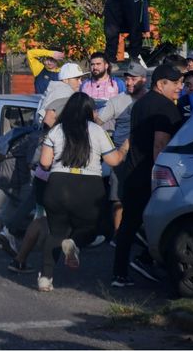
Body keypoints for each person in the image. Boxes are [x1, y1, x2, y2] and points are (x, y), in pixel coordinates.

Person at [37, 93, 128, 292]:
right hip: (89, 185)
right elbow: (113, 161)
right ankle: (75, 242)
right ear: (89, 110)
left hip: (57, 184)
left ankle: (45, 277)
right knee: (91, 227)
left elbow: (44, 163)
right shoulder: (97, 131)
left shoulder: (56, 131)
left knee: (55, 233)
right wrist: (125, 147)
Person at [112, 64, 183, 287]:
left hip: (133, 171)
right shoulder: (165, 108)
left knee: (129, 223)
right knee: (162, 220)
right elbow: (159, 145)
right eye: (176, 83)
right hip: (152, 175)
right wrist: (161, 177)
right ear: (161, 83)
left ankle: (119, 273)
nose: (179, 88)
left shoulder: (141, 103)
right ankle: (145, 260)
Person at [95, 62, 148, 238]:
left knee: (142, 197)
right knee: (118, 198)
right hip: (121, 157)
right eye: (127, 79)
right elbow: (97, 124)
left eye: (133, 78)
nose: (129, 82)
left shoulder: (150, 100)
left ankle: (141, 235)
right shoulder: (117, 101)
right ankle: (119, 237)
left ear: (144, 79)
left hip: (144, 156)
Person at [37, 62, 88, 127]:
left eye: (81, 79)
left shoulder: (57, 90)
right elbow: (48, 120)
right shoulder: (64, 91)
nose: (80, 82)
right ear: (65, 80)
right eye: (77, 79)